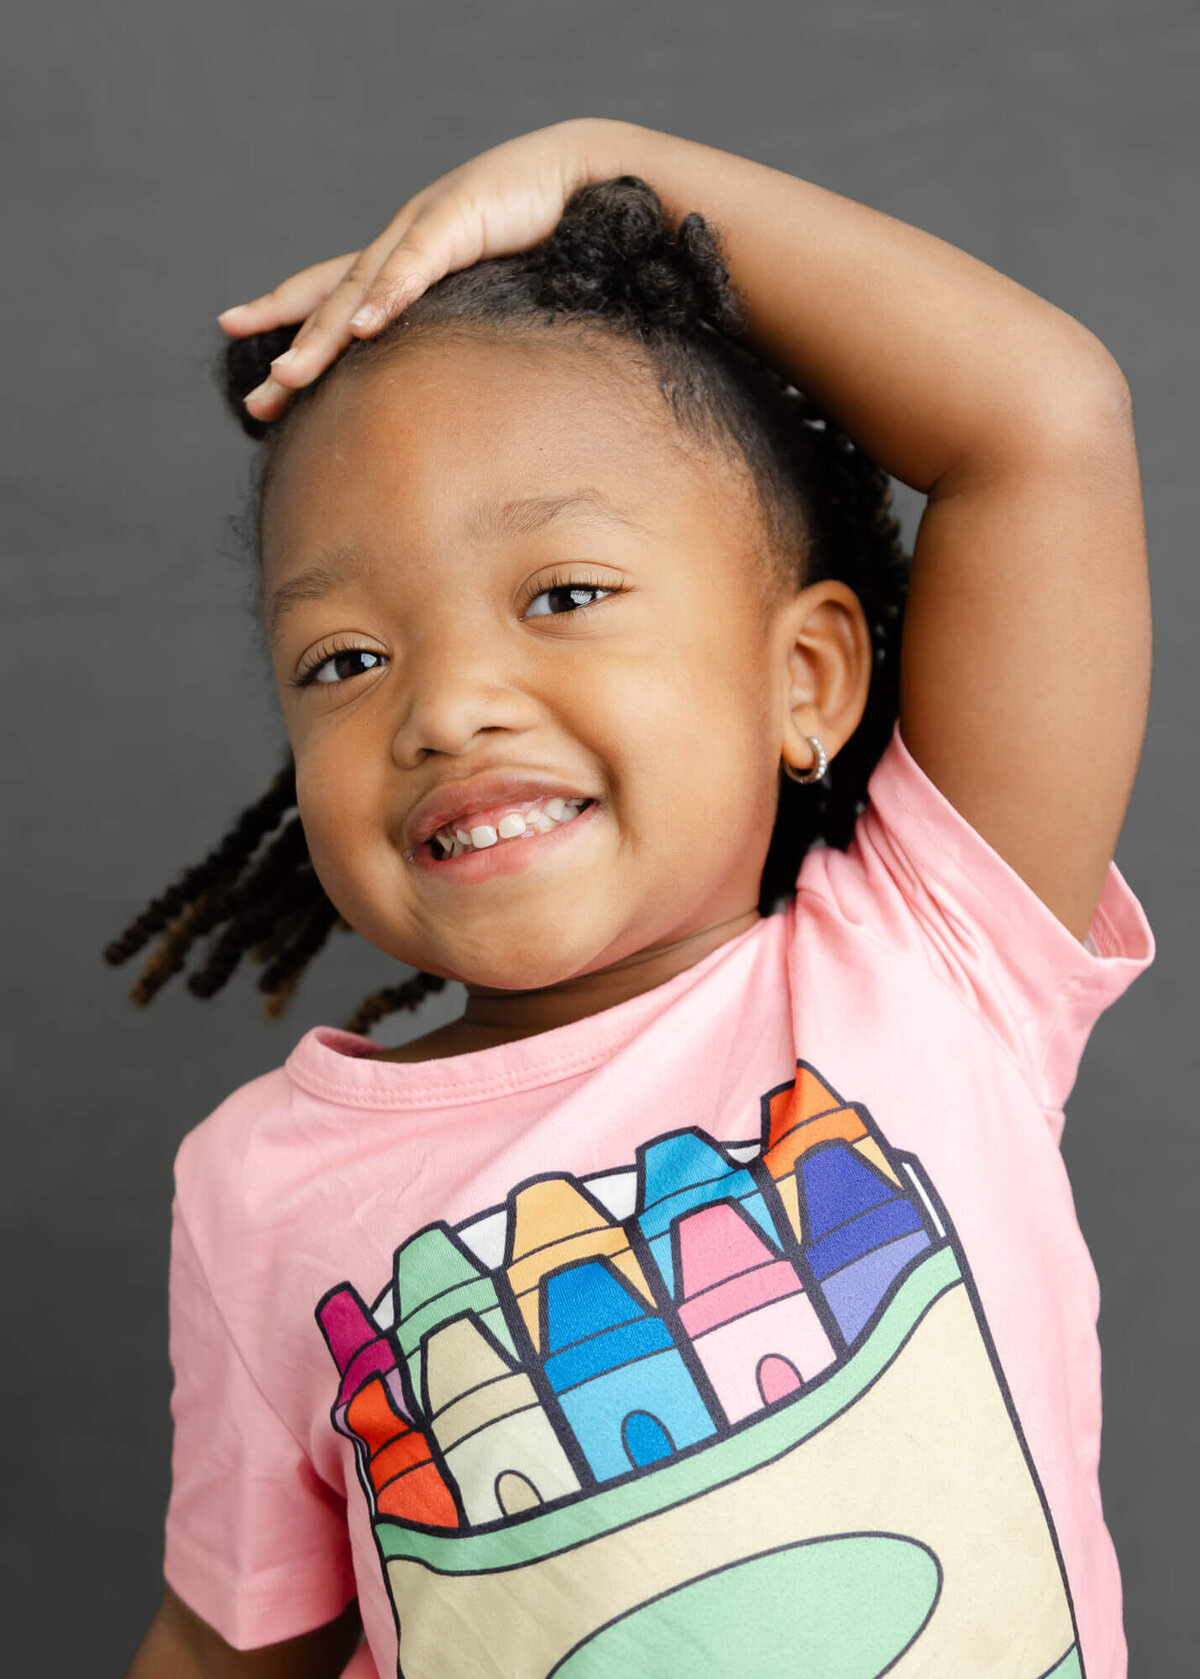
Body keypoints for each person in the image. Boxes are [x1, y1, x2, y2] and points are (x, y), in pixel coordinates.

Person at [114, 118, 1153, 1679]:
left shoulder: (931, 960)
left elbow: (1044, 421)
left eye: (564, 595)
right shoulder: (263, 1188)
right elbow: (227, 1646)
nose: (448, 705)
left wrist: (603, 167)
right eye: (345, 660)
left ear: (804, 680)